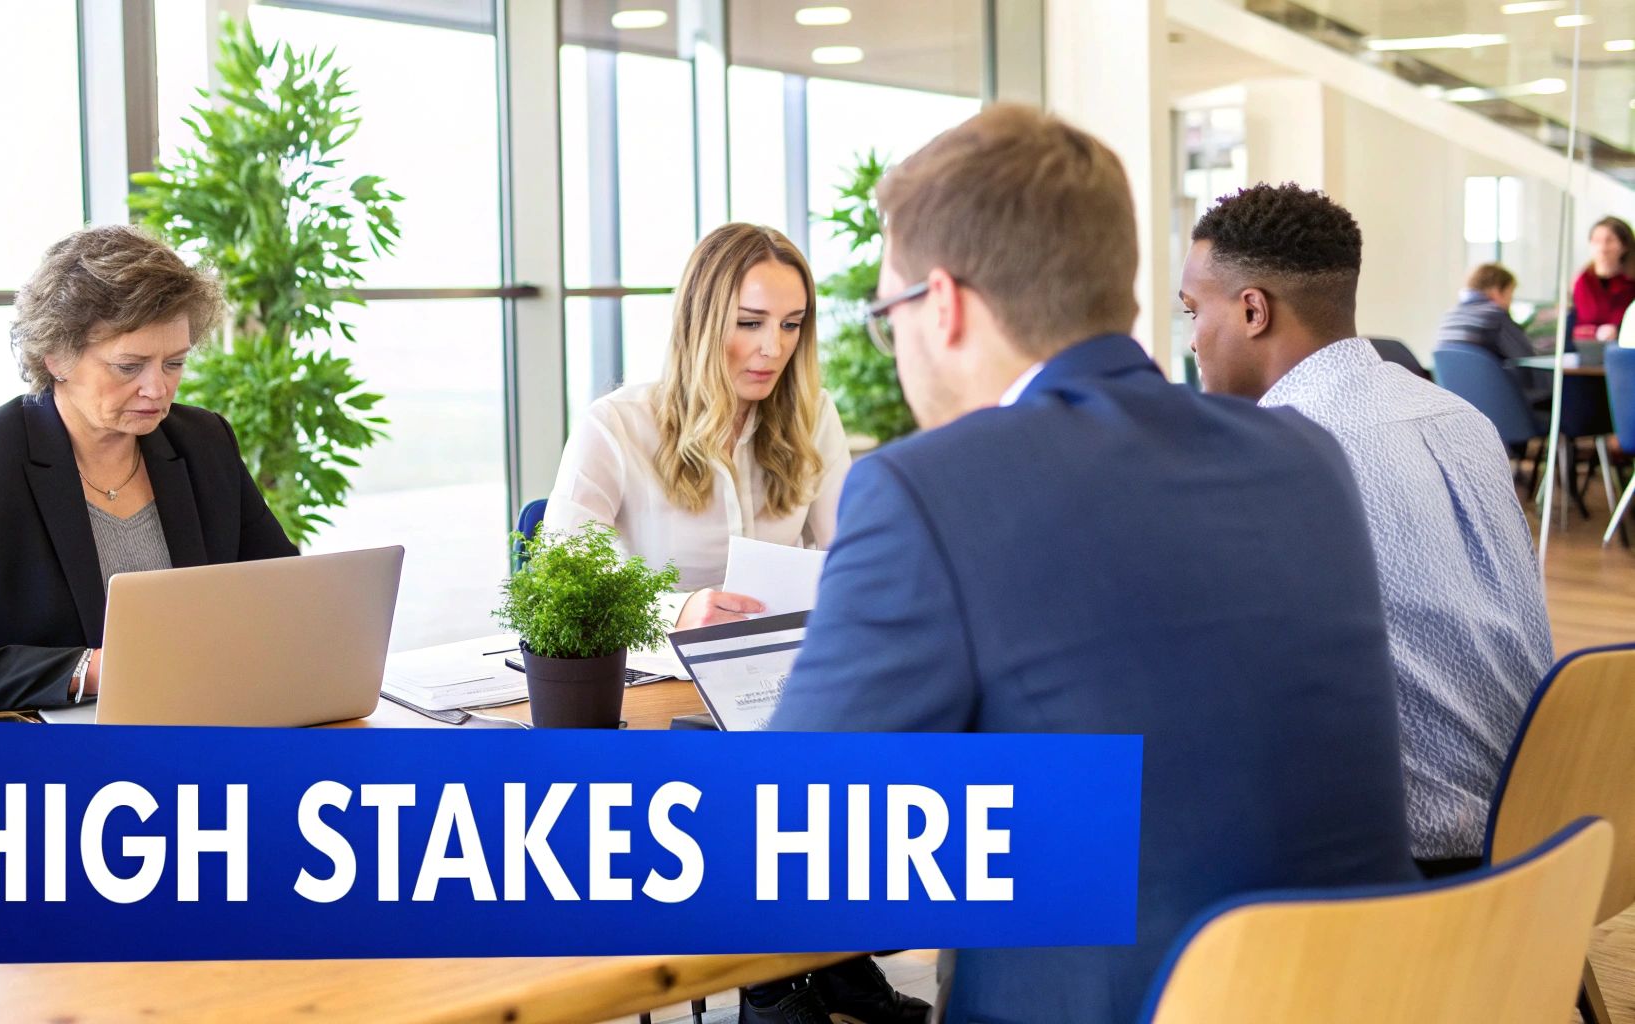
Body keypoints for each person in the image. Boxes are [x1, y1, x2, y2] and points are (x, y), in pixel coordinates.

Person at [768, 105, 1416, 1024]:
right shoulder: (1304, 454)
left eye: (888, 314)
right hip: (1379, 992)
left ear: (942, 306)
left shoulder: (930, 489)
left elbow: (798, 852)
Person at [1183, 183, 1553, 878]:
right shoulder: (1463, 420)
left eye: (1192, 311)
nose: (1193, 338)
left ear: (1253, 310)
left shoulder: (1279, 452)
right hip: (1540, 834)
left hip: (1405, 864)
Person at [0, 225, 297, 719]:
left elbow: (284, 598)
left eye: (174, 363)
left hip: (204, 719)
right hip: (62, 749)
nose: (157, 389)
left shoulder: (204, 442)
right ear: (57, 357)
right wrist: (90, 670)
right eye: (129, 366)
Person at [545, 223, 851, 630]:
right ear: (700, 322)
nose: (773, 348)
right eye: (749, 323)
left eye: (790, 325)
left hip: (782, 658)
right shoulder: (614, 426)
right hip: (658, 660)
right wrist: (674, 613)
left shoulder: (813, 414)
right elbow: (565, 588)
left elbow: (852, 559)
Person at [1435, 263, 1547, 401]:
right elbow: (1527, 359)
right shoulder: (1495, 317)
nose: (1510, 303)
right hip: (1502, 404)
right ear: (1496, 292)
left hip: (1461, 403)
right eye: (1510, 295)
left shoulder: (1449, 316)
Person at [1573, 215, 1635, 344]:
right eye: (1596, 241)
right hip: (1589, 349)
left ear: (1624, 246)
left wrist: (1617, 330)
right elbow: (1574, 328)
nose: (1602, 248)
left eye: (1610, 241)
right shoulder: (1583, 282)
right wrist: (1596, 332)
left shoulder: (1630, 283)